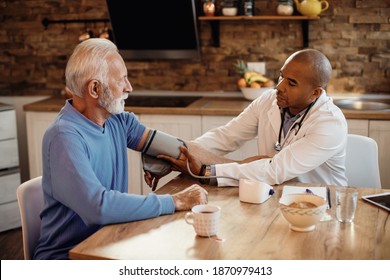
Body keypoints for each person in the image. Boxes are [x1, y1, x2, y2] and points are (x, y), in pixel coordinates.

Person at [34, 38, 208, 260]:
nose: (129, 87)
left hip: (111, 243)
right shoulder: (64, 136)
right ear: (95, 88)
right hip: (67, 258)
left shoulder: (119, 122)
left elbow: (179, 149)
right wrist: (175, 201)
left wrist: (231, 169)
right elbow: (98, 207)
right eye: (122, 80)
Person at [152, 49, 348, 188]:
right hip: (272, 195)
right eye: (281, 76)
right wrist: (179, 155)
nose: (279, 86)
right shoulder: (269, 100)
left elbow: (273, 170)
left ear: (315, 93)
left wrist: (207, 171)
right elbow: (226, 137)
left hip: (321, 205)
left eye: (292, 83)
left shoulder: (330, 123)